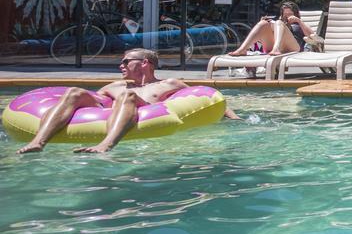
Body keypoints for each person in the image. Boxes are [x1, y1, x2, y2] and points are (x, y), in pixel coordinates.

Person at [16, 48, 238, 155]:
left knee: (128, 95)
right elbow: (95, 104)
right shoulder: (114, 87)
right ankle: (39, 141)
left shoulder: (168, 84)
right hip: (115, 112)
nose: (120, 66)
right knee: (74, 91)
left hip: (145, 117)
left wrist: (234, 118)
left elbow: (202, 98)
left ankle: (107, 144)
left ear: (145, 63)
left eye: (126, 61)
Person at [228, 1, 313, 58]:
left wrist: (299, 21)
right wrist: (265, 27)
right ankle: (242, 49)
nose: (287, 16)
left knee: (279, 23)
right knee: (263, 23)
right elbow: (264, 39)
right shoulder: (278, 23)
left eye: (290, 14)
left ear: (296, 14)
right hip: (272, 48)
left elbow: (312, 36)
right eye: (285, 14)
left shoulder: (300, 24)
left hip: (293, 48)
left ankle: (277, 48)